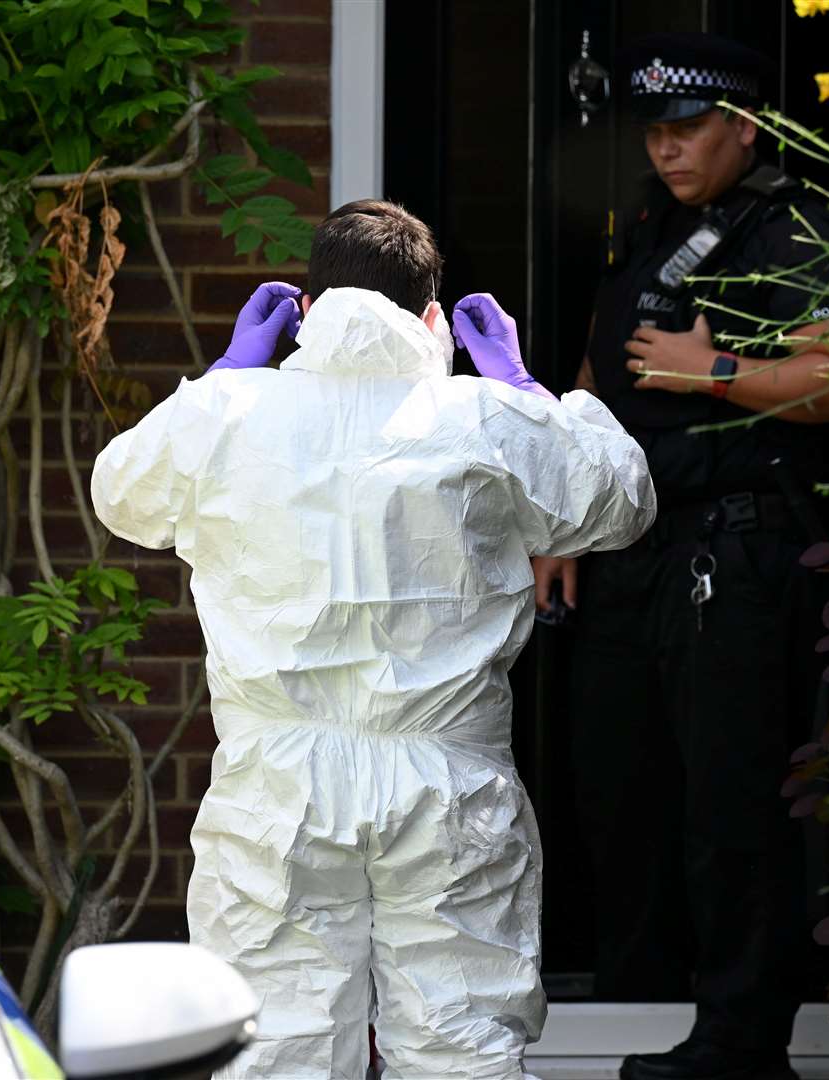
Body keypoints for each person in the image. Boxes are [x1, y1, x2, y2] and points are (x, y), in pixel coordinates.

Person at [91, 200, 657, 1078]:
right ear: (432, 318)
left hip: (277, 787)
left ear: (306, 311)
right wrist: (521, 388)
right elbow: (615, 500)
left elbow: (123, 493)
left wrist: (224, 376)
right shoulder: (482, 418)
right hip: (445, 784)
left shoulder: (233, 415)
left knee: (276, 1045)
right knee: (459, 1041)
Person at [530, 33, 829, 1080]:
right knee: (617, 790)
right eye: (656, 131)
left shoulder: (796, 229)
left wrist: (714, 367)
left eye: (688, 130)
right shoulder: (647, 229)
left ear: (744, 128)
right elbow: (597, 375)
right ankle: (639, 1000)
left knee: (731, 808)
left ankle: (739, 1042)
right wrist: (564, 513)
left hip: (736, 550)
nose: (668, 148)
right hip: (629, 548)